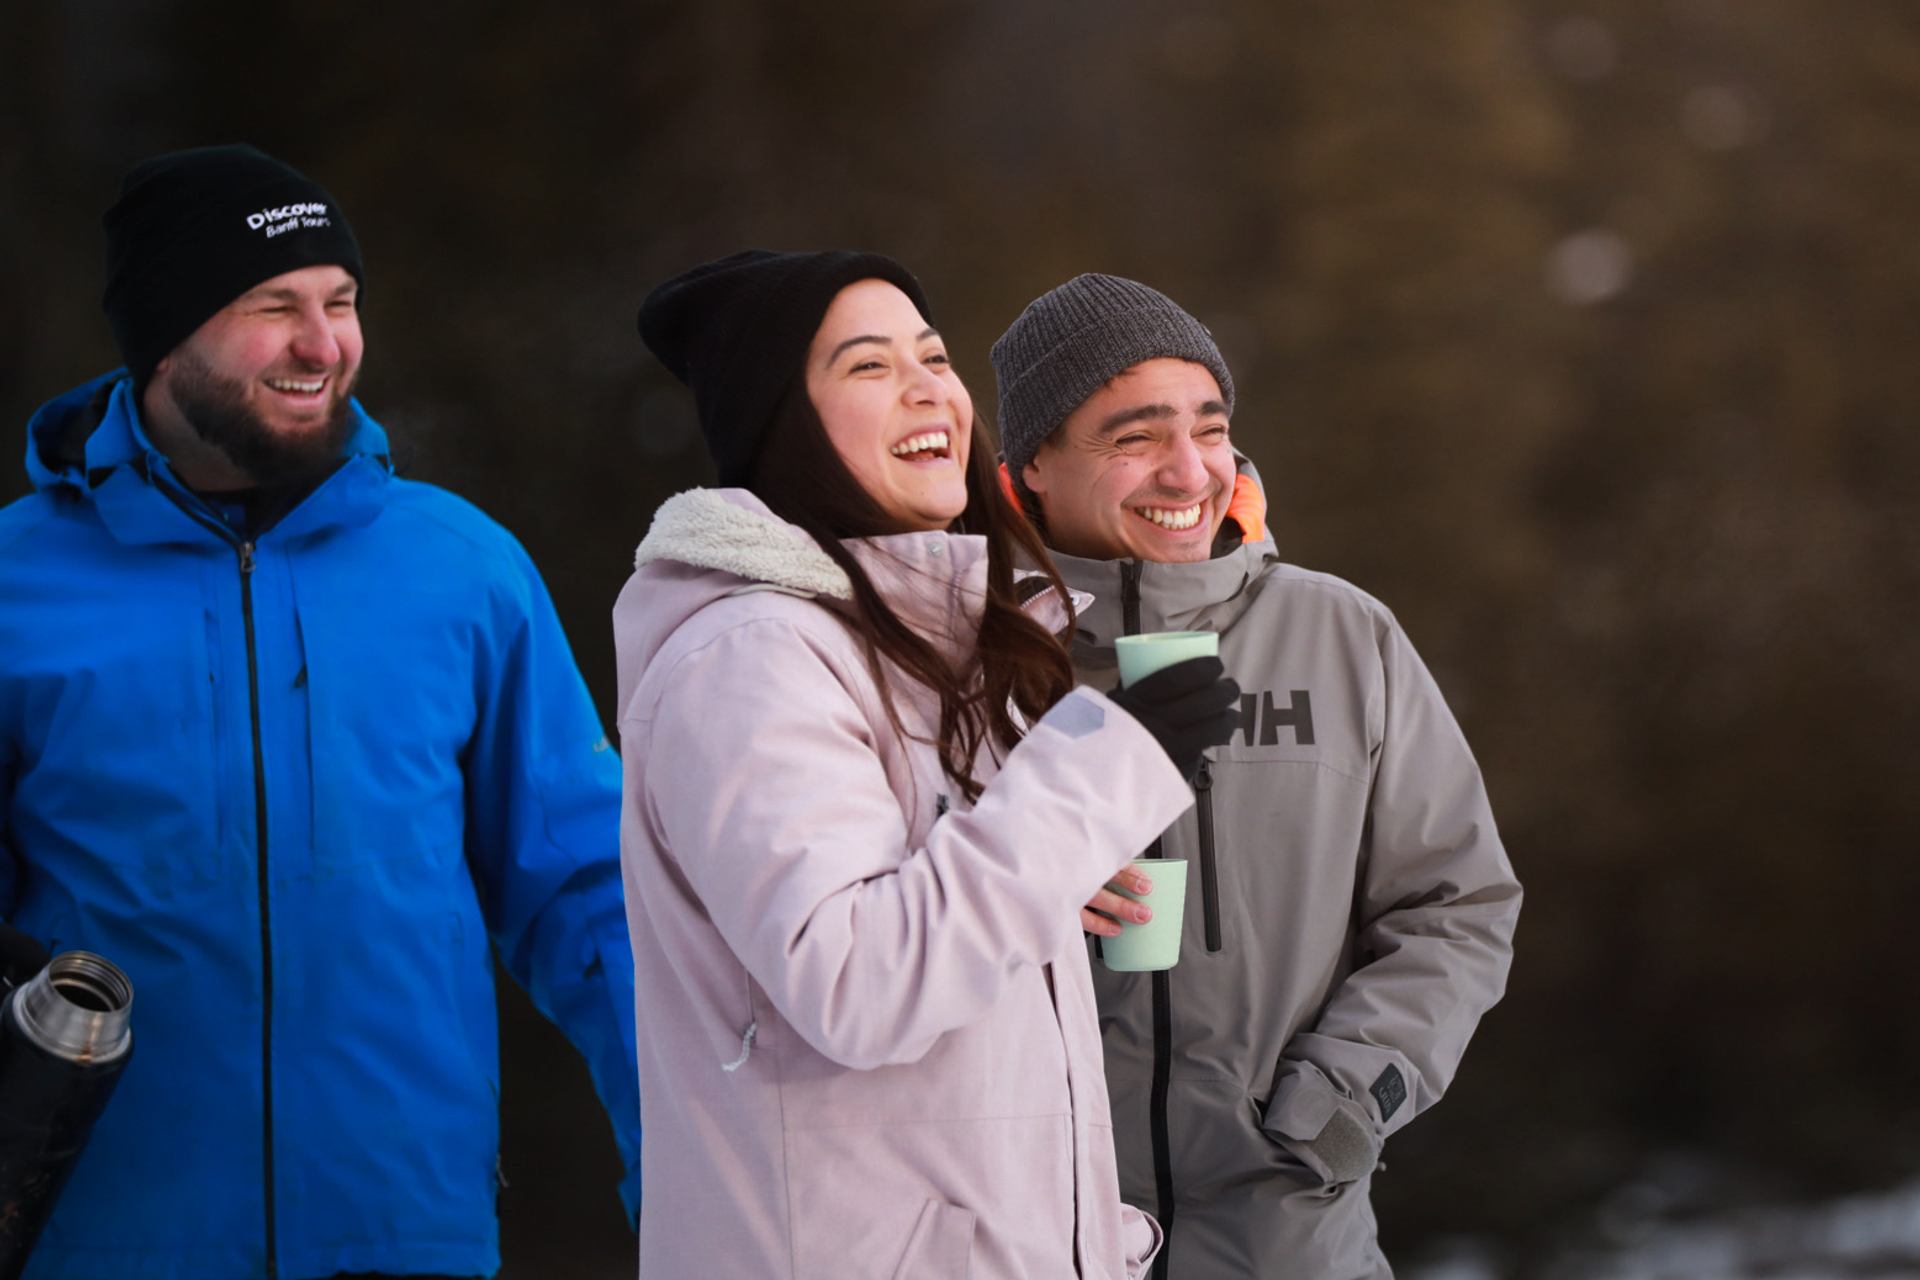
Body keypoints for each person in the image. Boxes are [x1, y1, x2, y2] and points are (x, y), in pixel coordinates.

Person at [0, 145, 641, 1280]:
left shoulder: (463, 567)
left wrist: (686, 1158)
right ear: (166, 335)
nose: (323, 342)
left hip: (405, 1235)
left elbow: (591, 898)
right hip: (104, 1240)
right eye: (273, 305)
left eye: (340, 302)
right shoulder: (20, 584)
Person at [615, 250, 1241, 1279]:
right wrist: (1097, 774)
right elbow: (858, 980)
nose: (929, 389)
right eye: (868, 366)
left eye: (934, 355)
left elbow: (927, 933)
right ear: (785, 423)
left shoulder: (931, 643)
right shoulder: (751, 656)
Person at [991, 273, 1524, 1280]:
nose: (1188, 469)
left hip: (1290, 1237)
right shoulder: (968, 661)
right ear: (1034, 468)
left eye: (1210, 426)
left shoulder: (1340, 632)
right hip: (1025, 1236)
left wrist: (1343, 1100)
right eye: (1134, 435)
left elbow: (1457, 904)